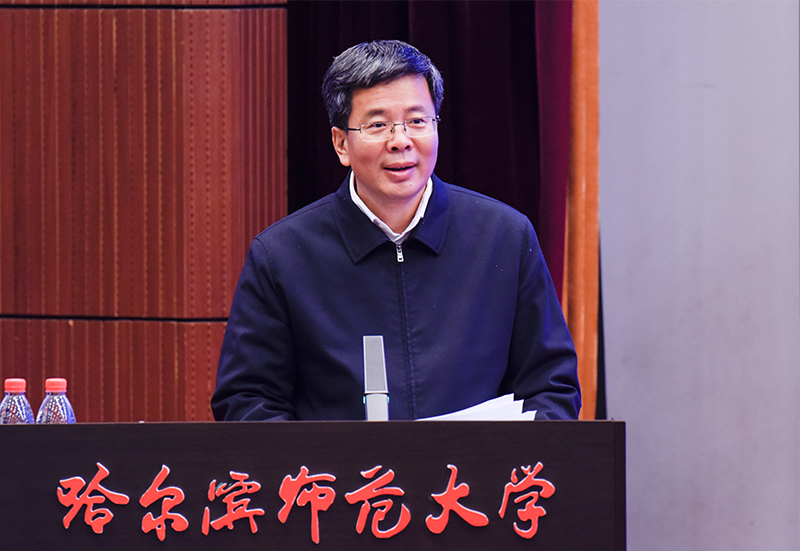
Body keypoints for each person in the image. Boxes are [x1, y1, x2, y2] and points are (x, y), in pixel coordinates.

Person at [211, 40, 580, 421]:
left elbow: (551, 389)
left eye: (417, 121)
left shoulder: (504, 238)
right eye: (377, 125)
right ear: (341, 143)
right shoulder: (282, 256)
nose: (401, 141)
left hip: (476, 462)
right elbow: (248, 402)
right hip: (343, 464)